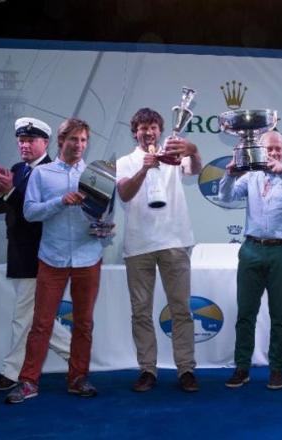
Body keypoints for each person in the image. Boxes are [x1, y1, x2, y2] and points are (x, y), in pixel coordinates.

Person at [5, 118, 108, 403]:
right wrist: (61, 201)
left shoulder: (96, 174)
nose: (79, 145)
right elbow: (30, 213)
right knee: (41, 323)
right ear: (61, 142)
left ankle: (78, 378)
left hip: (89, 257)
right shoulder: (42, 174)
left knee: (84, 323)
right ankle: (28, 382)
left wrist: (104, 227)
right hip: (52, 258)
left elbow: (105, 214)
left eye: (84, 140)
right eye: (74, 140)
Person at [116, 108, 202, 393]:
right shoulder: (125, 161)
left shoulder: (173, 156)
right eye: (142, 128)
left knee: (181, 310)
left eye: (153, 127)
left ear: (160, 130)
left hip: (175, 242)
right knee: (141, 312)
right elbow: (125, 193)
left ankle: (186, 369)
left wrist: (193, 149)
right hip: (139, 246)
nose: (148, 132)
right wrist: (145, 167)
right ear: (135, 132)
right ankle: (147, 370)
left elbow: (195, 170)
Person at [218, 130, 282, 390]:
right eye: (268, 149)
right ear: (260, 151)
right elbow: (226, 198)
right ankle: (242, 367)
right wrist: (229, 174)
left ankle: (277, 369)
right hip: (251, 250)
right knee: (245, 313)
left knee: (279, 314)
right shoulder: (251, 177)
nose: (273, 154)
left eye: (277, 149)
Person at [0, 117, 72, 392]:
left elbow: (35, 214)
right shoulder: (18, 169)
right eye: (21, 140)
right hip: (20, 254)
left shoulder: (52, 172)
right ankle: (78, 356)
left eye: (30, 140)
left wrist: (9, 191)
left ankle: (11, 373)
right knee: (38, 318)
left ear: (45, 142)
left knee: (23, 316)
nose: (24, 145)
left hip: (42, 254)